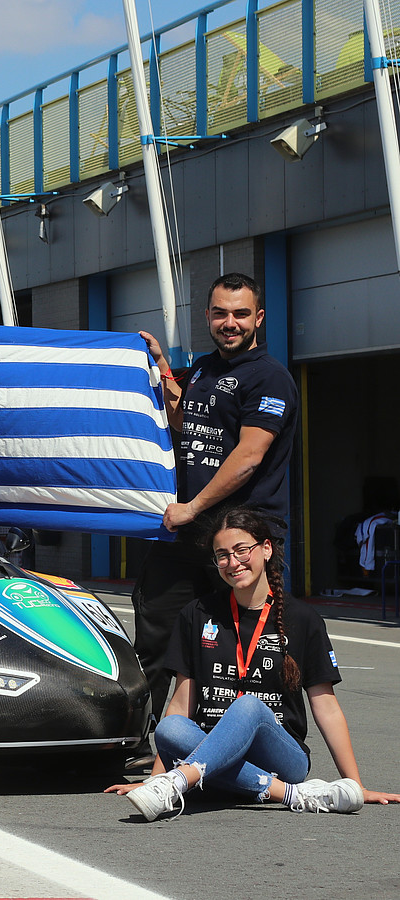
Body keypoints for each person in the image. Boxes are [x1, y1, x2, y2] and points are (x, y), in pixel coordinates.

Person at [105, 506, 400, 820]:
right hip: (211, 749)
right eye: (222, 555)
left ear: (266, 549)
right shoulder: (196, 614)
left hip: (280, 758)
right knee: (169, 728)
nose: (233, 563)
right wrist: (154, 779)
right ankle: (292, 794)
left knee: (248, 706)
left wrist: (355, 784)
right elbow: (180, 704)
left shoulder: (304, 619)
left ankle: (181, 779)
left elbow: (326, 707)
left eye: (241, 550)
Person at [131, 273, 299, 740]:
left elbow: (249, 457)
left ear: (258, 318)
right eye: (221, 313)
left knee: (248, 643)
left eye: (241, 314)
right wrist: (163, 367)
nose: (230, 323)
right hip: (185, 536)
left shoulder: (270, 377)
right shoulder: (204, 369)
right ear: (207, 316)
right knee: (156, 638)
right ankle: (145, 742)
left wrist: (192, 506)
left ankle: (262, 743)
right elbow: (184, 421)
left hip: (243, 536)